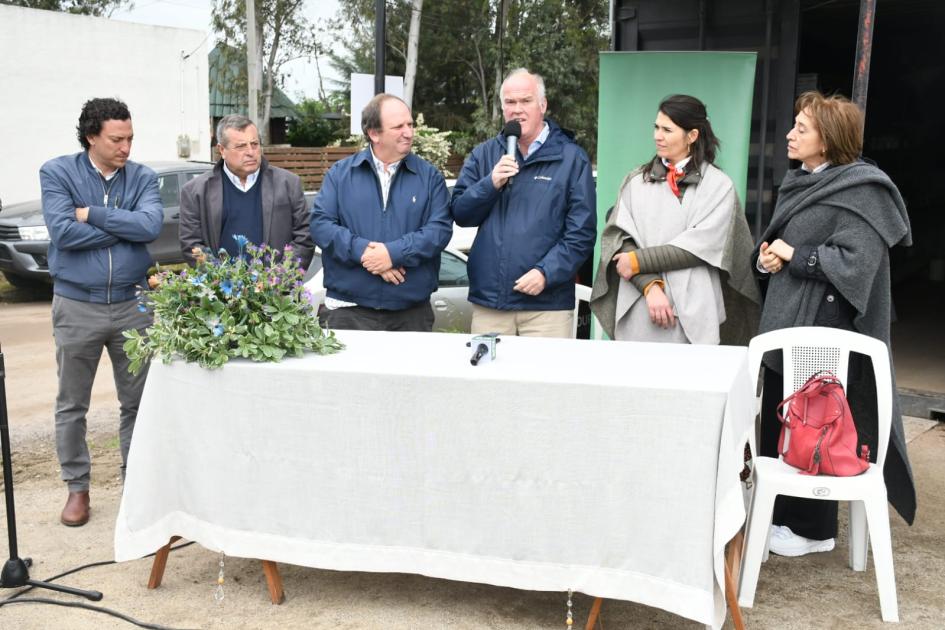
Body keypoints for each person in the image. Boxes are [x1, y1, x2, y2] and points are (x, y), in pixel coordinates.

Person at [753, 91, 915, 556]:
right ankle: (779, 515)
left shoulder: (863, 190)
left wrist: (795, 254)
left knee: (817, 425)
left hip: (828, 329)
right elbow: (778, 244)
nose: (790, 134)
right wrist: (767, 259)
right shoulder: (802, 181)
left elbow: (857, 263)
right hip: (786, 322)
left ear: (828, 141)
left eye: (802, 128)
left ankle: (813, 530)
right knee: (780, 425)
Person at [40, 97, 163, 527]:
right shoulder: (57, 172)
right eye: (116, 139)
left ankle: (136, 485)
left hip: (133, 305)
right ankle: (77, 489)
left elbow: (149, 227)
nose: (126, 147)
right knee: (72, 404)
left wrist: (92, 214)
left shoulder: (144, 177)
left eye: (130, 138)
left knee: (139, 403)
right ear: (91, 136)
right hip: (77, 305)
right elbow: (62, 233)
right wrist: (121, 228)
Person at [590, 94, 759, 344]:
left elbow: (702, 246)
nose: (658, 136)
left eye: (667, 130)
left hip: (696, 307)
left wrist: (638, 261)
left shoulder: (718, 186)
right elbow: (620, 240)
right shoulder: (636, 181)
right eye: (656, 127)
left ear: (692, 135)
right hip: (640, 303)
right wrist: (649, 286)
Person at [451, 68, 596, 338]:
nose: (517, 110)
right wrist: (490, 184)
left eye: (525, 101)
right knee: (488, 380)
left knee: (543, 381)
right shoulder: (484, 155)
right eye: (510, 102)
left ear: (543, 105)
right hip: (491, 305)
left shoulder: (572, 159)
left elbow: (581, 233)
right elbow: (460, 213)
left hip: (547, 307)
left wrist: (545, 273)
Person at [310, 94, 452, 331]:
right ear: (374, 134)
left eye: (410, 124)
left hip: (411, 314)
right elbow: (321, 225)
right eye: (398, 127)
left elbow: (439, 231)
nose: (409, 132)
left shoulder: (430, 177)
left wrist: (393, 254)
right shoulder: (340, 174)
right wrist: (365, 252)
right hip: (349, 312)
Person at [179, 114, 313, 269]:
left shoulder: (288, 184)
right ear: (222, 150)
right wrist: (221, 281)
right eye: (241, 146)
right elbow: (191, 245)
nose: (251, 152)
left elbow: (304, 238)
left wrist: (277, 281)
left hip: (277, 289)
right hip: (222, 289)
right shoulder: (196, 191)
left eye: (255, 144)